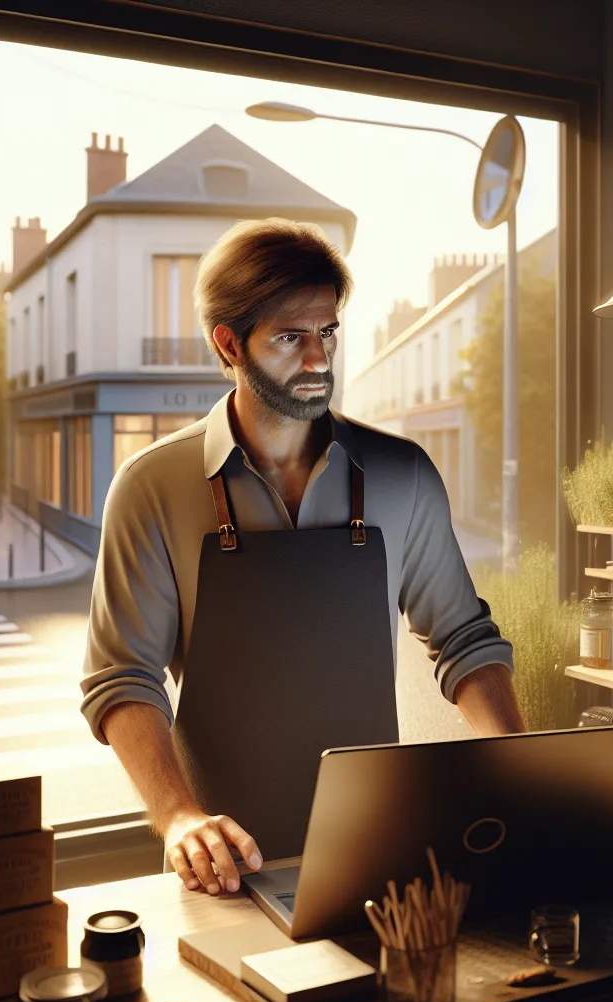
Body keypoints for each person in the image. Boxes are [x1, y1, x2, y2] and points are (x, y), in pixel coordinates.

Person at [80, 218, 524, 898]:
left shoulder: (403, 475)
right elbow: (123, 677)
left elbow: (464, 639)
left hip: (379, 849)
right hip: (220, 868)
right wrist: (178, 819)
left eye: (328, 333)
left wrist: (519, 770)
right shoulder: (149, 489)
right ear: (229, 343)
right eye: (291, 337)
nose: (319, 358)